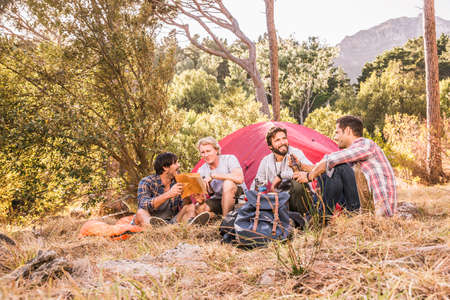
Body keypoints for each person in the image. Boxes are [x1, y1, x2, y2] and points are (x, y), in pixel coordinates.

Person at [296, 115, 397, 217]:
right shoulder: (354, 154)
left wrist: (309, 176)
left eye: (337, 132)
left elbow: (331, 160)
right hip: (364, 208)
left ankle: (323, 218)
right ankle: (319, 216)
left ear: (348, 130)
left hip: (379, 212)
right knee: (327, 172)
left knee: (338, 167)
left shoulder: (366, 144)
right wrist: (302, 166)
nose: (335, 137)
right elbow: (325, 165)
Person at [253, 126, 360, 218]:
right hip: (279, 201)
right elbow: (257, 184)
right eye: (277, 140)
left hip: (300, 200)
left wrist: (283, 174)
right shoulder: (266, 161)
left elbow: (314, 169)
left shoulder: (295, 153)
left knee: (297, 182)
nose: (282, 142)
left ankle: (307, 217)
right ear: (270, 147)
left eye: (284, 138)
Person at [134, 152, 209, 226]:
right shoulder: (147, 182)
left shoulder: (178, 181)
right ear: (165, 167)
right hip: (151, 219)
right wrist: (169, 194)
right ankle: (157, 230)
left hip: (171, 222)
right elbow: (143, 204)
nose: (178, 165)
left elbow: (184, 204)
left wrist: (189, 196)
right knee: (141, 212)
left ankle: (189, 227)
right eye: (175, 163)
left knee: (190, 206)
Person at [196, 137, 244, 217]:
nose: (206, 155)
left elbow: (239, 179)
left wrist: (215, 176)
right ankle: (217, 216)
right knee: (200, 208)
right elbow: (208, 194)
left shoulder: (229, 159)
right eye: (203, 152)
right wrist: (201, 197)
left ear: (216, 150)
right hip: (218, 199)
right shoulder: (201, 170)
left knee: (228, 183)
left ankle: (225, 221)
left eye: (208, 151)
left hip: (238, 195)